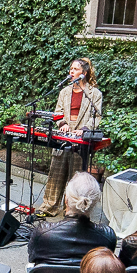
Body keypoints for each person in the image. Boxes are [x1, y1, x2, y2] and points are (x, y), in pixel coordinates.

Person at [40, 58, 103, 217]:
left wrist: (84, 129)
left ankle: (72, 210)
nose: (71, 71)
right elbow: (58, 112)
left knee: (75, 176)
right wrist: (62, 124)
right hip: (63, 135)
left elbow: (97, 116)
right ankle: (49, 206)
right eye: (71, 69)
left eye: (75, 69)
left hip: (80, 139)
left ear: (84, 73)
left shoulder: (94, 94)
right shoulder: (64, 92)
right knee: (56, 173)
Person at [28, 170, 116, 266]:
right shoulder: (108, 236)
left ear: (66, 199)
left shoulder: (42, 233)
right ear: (94, 203)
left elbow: (32, 258)